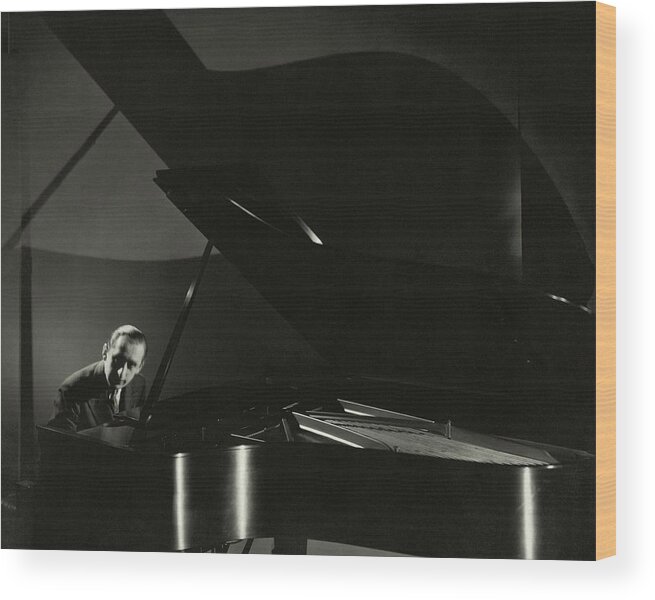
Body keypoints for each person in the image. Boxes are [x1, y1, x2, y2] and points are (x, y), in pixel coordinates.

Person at [48, 325, 147, 432]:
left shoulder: (139, 384)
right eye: (118, 360)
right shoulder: (70, 391)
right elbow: (61, 445)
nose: (121, 374)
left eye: (131, 365)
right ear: (105, 352)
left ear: (140, 366)